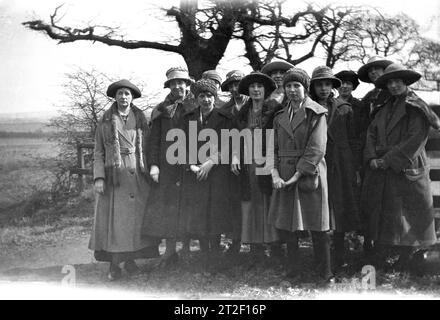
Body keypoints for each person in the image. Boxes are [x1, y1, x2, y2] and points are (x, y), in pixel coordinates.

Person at [361, 63, 440, 272]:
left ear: (406, 82)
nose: (394, 85)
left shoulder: (416, 106)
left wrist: (386, 160)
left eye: (398, 81)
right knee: (392, 214)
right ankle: (392, 256)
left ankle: (410, 258)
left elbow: (415, 139)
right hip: (385, 169)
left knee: (410, 215)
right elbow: (371, 133)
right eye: (390, 82)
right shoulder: (385, 106)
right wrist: (371, 157)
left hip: (407, 167)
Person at [89, 79, 160, 281]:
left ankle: (130, 261)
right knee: (116, 224)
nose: (123, 97)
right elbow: (98, 152)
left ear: (132, 97)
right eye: (120, 93)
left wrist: (152, 168)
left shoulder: (140, 119)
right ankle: (114, 265)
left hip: (138, 177)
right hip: (114, 180)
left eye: (127, 94)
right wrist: (99, 178)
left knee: (136, 223)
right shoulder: (105, 121)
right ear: (115, 97)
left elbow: (149, 147)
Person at [267, 68, 332, 282]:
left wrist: (297, 175)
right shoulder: (279, 116)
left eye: (297, 86)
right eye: (288, 86)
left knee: (318, 225)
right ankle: (294, 271)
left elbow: (317, 148)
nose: (293, 90)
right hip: (283, 175)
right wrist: (275, 173)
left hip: (309, 173)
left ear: (305, 88)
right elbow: (272, 148)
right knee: (289, 226)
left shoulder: (317, 113)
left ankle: (325, 273)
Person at [179, 79, 239, 265]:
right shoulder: (187, 118)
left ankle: (216, 255)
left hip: (218, 173)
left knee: (216, 214)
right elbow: (180, 146)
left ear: (215, 97)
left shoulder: (226, 117)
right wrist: (192, 165)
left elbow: (232, 143)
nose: (206, 100)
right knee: (199, 214)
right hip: (195, 174)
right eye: (202, 96)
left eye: (210, 96)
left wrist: (211, 162)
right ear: (197, 99)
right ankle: (204, 254)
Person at [309, 66, 361, 271]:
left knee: (339, 208)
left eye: (327, 84)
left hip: (341, 164)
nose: (323, 88)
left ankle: (339, 256)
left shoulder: (344, 108)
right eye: (319, 84)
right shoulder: (307, 107)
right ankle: (320, 258)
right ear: (313, 87)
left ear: (333, 86)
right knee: (317, 208)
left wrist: (353, 167)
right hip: (316, 163)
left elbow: (354, 140)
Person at [142, 67, 195, 266]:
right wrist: (154, 165)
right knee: (169, 208)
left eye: (181, 82)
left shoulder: (197, 105)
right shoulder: (161, 110)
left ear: (188, 85)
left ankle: (188, 249)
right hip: (168, 167)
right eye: (173, 83)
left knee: (190, 206)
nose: (177, 86)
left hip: (191, 166)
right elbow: (153, 141)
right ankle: (170, 251)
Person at [233, 71, 279, 258]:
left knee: (269, 201)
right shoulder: (243, 112)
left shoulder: (275, 109)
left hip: (269, 159)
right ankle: (255, 249)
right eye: (252, 87)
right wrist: (236, 156)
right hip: (248, 162)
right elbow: (235, 136)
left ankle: (275, 247)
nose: (256, 90)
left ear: (266, 90)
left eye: (260, 86)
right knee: (250, 202)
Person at [357, 56, 393, 256]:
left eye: (377, 69)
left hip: (390, 156)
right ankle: (370, 243)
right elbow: (363, 128)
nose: (374, 73)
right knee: (370, 200)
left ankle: (389, 245)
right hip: (369, 156)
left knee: (390, 201)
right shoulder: (369, 97)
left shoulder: (394, 94)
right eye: (370, 71)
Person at [220, 70, 249, 255]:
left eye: (238, 84)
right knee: (235, 202)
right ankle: (236, 241)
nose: (235, 88)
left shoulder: (254, 106)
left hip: (255, 158)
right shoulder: (225, 110)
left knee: (253, 202)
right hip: (232, 162)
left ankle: (258, 244)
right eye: (231, 85)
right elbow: (225, 139)